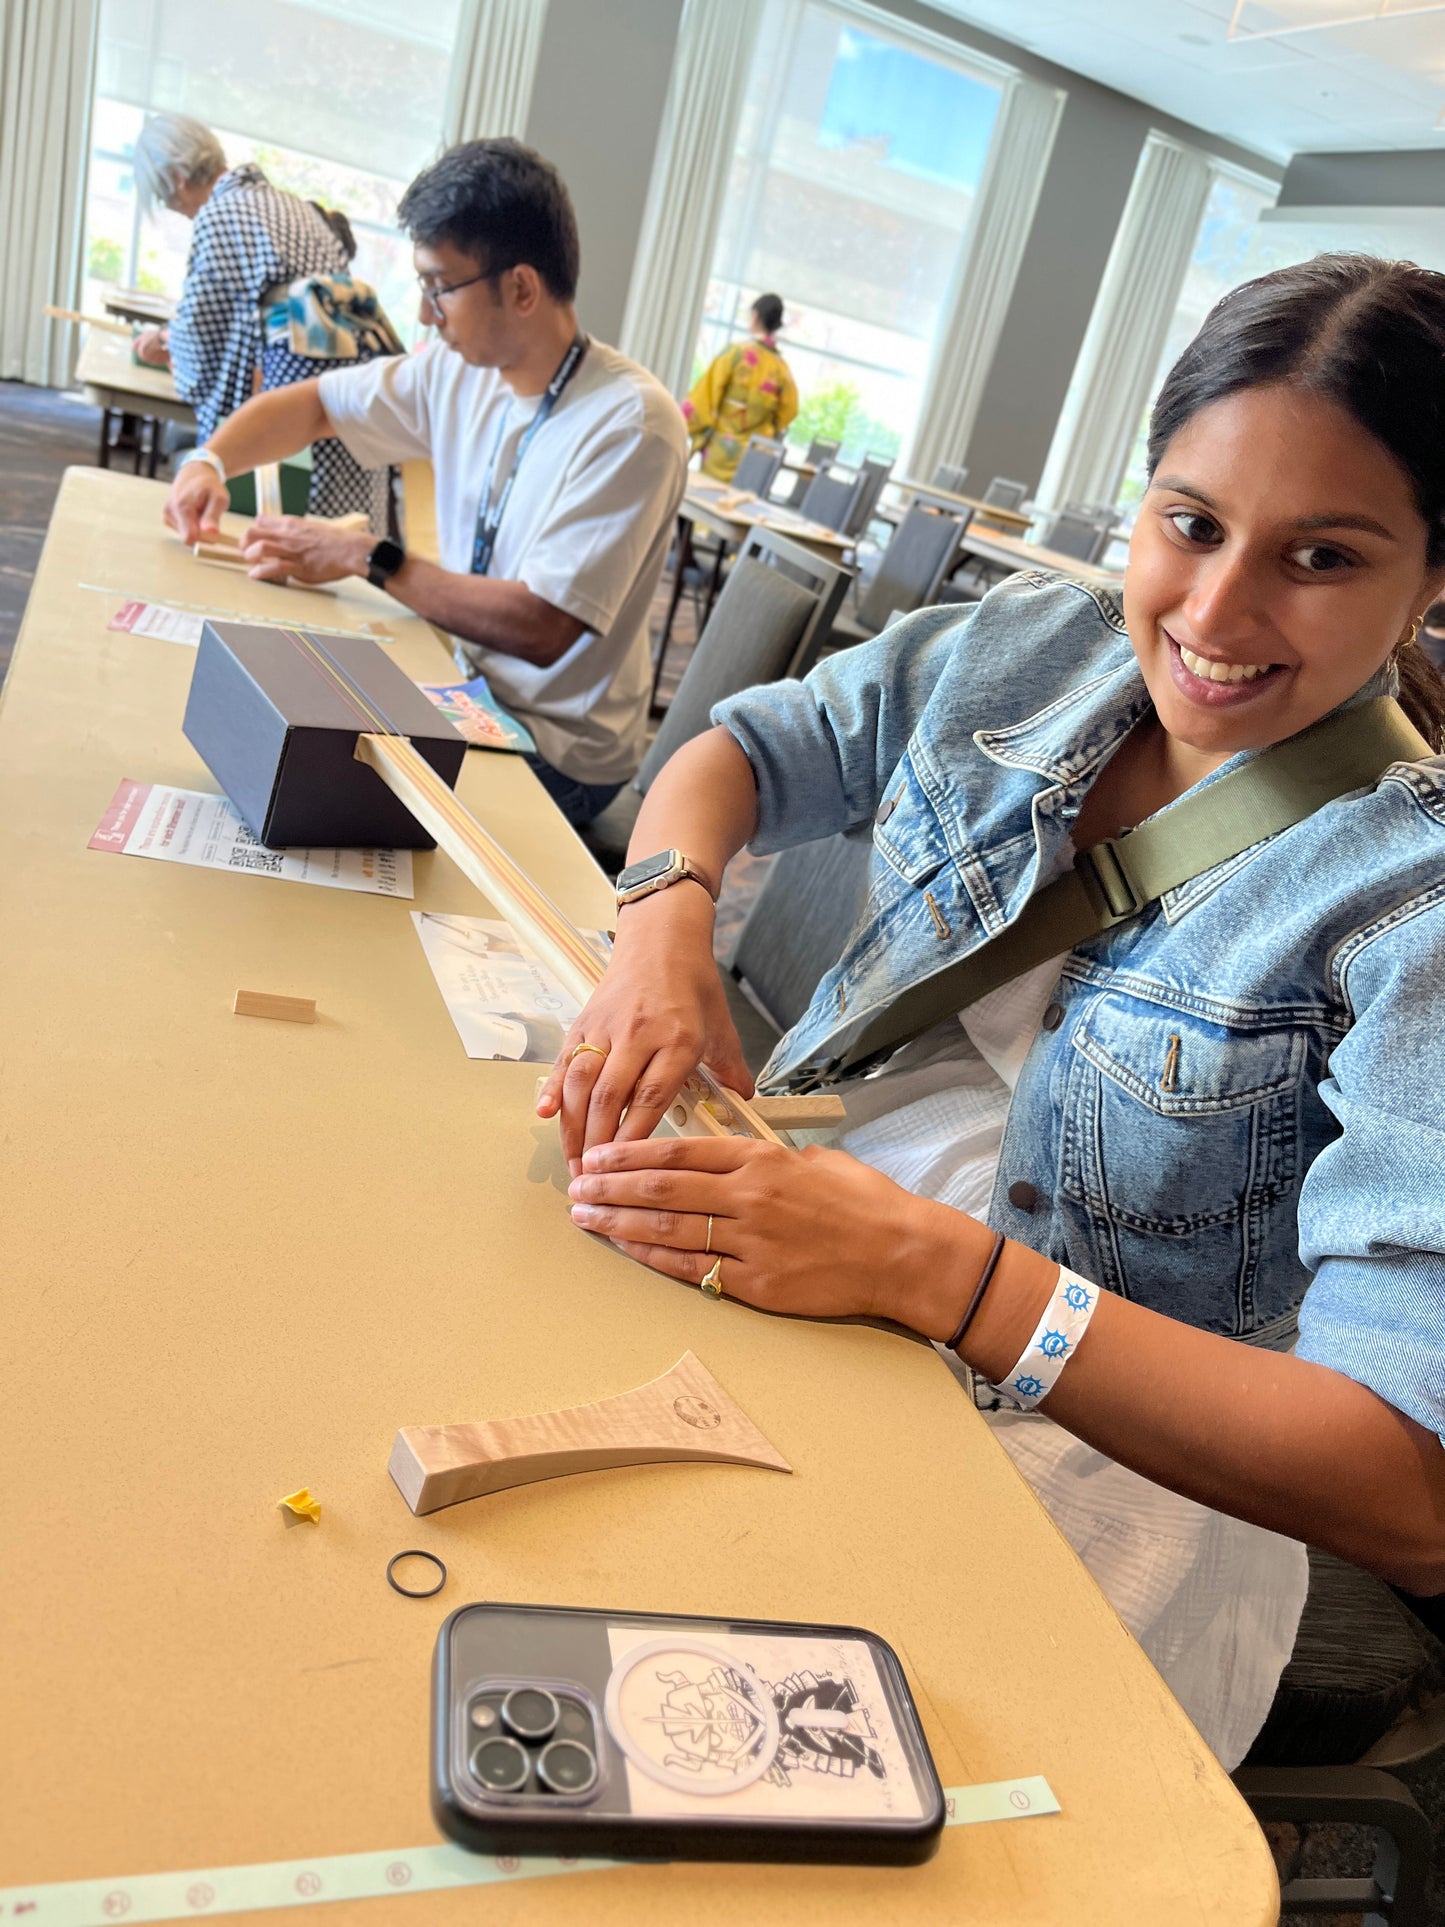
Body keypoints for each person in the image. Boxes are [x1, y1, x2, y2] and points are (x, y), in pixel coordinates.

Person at [538, 255, 1445, 1767]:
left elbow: (1401, 1483)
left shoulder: (1408, 899)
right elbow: (742, 752)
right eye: (1190, 522)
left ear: (1432, 575)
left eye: (1324, 557)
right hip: (810, 1254)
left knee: (685, 1738)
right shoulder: (1033, 648)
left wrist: (936, 1273)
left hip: (1087, 1459)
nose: (1215, 610)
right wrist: (663, 925)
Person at [162, 139, 688, 829]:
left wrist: (365, 556)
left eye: (440, 285)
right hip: (464, 683)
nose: (423, 311)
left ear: (521, 288)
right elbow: (315, 404)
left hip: (554, 746)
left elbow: (542, 626)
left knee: (308, 797)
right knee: (268, 717)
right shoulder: (458, 370)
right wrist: (207, 459)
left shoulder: (630, 424)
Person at [132, 113, 400, 528]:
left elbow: (202, 333)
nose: (175, 209)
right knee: (335, 529)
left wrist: (165, 341)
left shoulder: (221, 216)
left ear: (176, 177)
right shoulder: (290, 205)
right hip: (344, 386)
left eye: (165, 198)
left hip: (290, 393)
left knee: (282, 528)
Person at [683, 294, 799, 483]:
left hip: (722, 448)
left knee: (706, 502)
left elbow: (705, 396)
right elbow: (790, 410)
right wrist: (767, 428)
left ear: (755, 316)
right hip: (755, 455)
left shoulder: (735, 352)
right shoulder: (781, 368)